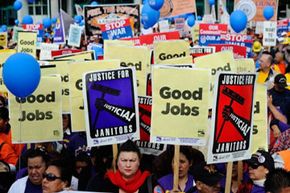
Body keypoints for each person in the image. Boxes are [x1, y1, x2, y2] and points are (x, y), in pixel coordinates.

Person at [86, 139, 164, 193]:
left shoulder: (150, 183)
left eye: (132, 160)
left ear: (139, 162)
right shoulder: (104, 184)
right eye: (124, 160)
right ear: (117, 162)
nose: (128, 165)